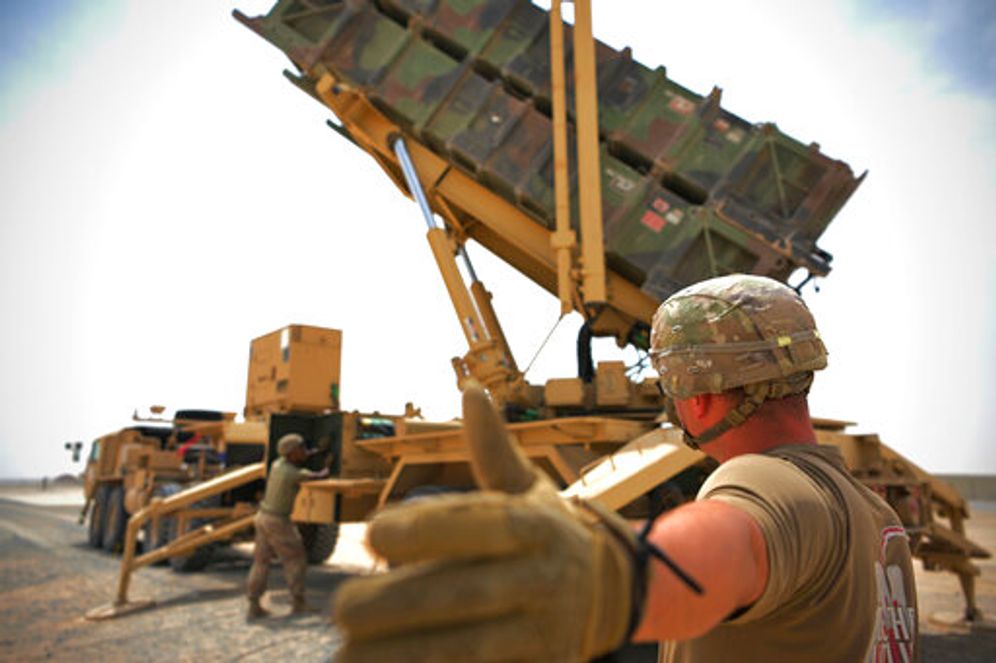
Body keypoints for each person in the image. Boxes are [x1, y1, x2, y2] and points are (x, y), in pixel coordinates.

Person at [331, 274, 918, 662]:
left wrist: (609, 578)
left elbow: (729, 545)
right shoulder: (880, 519)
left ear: (696, 396)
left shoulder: (761, 479)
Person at [247, 432, 328, 620]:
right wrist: (327, 464)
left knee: (261, 562)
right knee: (296, 559)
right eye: (301, 448)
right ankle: (298, 602)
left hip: (263, 517)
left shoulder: (277, 465)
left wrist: (316, 451)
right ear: (292, 453)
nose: (304, 452)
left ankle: (253, 605)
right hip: (278, 521)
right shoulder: (293, 473)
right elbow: (318, 476)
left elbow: (302, 458)